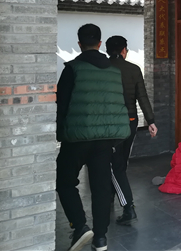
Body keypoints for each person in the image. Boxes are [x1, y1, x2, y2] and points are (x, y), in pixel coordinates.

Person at [56, 24, 130, 251]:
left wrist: (60, 133)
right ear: (99, 44)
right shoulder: (114, 72)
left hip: (77, 138)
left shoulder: (72, 69)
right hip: (105, 140)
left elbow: (62, 105)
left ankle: (79, 225)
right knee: (101, 188)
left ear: (80, 44)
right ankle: (100, 239)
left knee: (65, 181)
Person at [105, 35, 158, 226]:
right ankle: (114, 195)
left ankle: (127, 207)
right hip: (130, 121)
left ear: (107, 50)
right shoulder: (134, 69)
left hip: (110, 124)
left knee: (114, 165)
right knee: (120, 162)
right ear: (123, 50)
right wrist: (151, 121)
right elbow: (142, 96)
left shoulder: (103, 68)